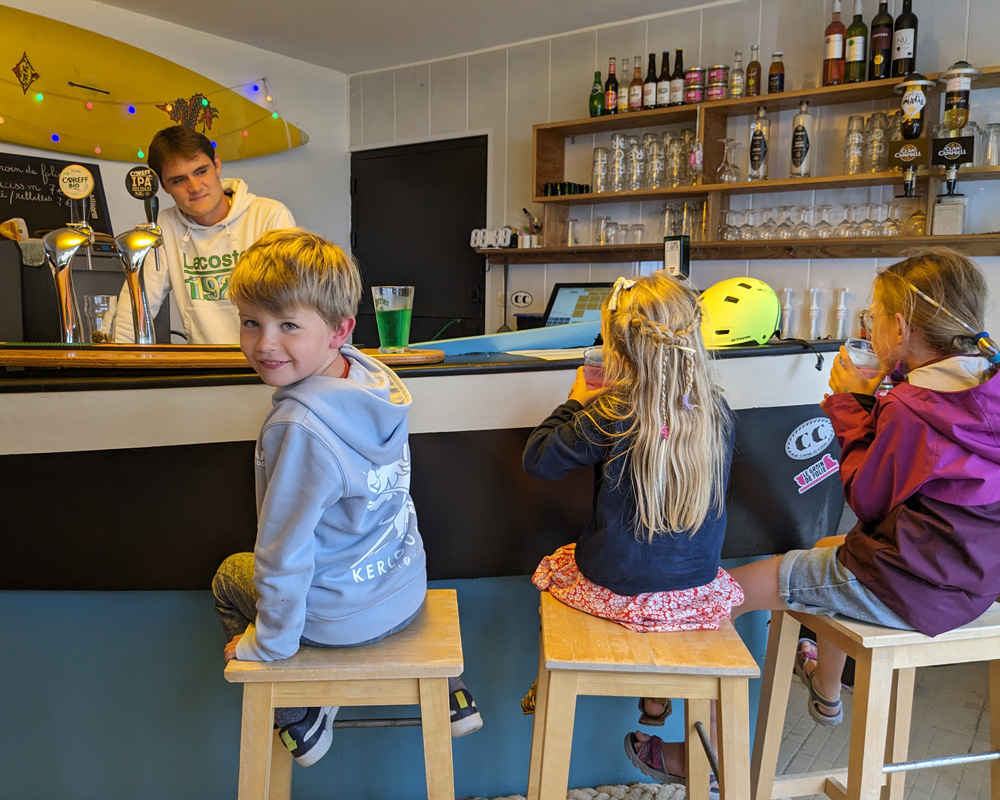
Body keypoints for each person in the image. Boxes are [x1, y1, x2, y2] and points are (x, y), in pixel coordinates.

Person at [212, 229, 481, 769]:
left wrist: (268, 646)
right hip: (404, 591)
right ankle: (450, 690)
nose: (265, 343)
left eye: (288, 325)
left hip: (339, 619)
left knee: (228, 576)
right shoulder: (374, 382)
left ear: (340, 329)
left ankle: (301, 715)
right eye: (251, 322)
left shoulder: (299, 426)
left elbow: (281, 551)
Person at [728, 248, 1000, 732]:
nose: (867, 326)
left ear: (899, 328)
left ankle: (708, 760)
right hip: (970, 582)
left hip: (912, 587)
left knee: (724, 593)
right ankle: (827, 692)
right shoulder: (979, 384)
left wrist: (849, 404)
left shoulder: (911, 409)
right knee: (829, 548)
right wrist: (883, 386)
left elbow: (867, 502)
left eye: (871, 316)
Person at [521, 273, 741, 791]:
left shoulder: (612, 412)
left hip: (616, 583)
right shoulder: (716, 412)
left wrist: (576, 400)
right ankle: (658, 695)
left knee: (556, 567)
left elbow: (537, 460)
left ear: (619, 350)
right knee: (660, 568)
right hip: (697, 588)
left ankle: (546, 680)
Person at [110, 126, 295, 344]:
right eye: (179, 180)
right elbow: (133, 310)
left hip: (267, 362)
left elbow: (290, 306)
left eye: (201, 171)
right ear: (164, 186)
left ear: (216, 164)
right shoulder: (163, 226)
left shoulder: (270, 216)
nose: (195, 187)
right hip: (205, 364)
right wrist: (116, 362)